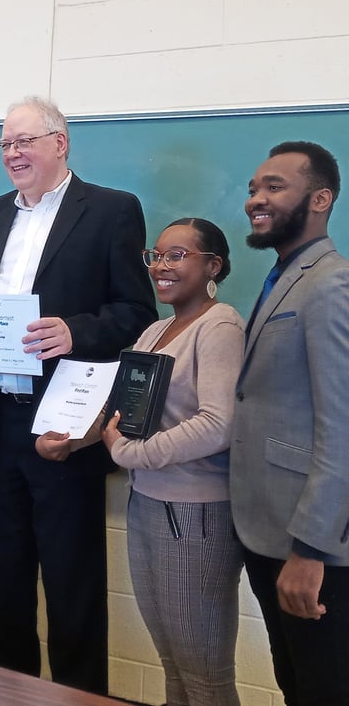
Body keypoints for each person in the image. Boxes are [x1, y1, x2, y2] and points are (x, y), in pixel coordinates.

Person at [0, 96, 156, 693]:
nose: (12, 154)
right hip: (1, 421)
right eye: (5, 144)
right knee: (2, 584)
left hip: (65, 422)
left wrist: (74, 332)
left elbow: (137, 312)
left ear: (60, 143)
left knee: (72, 585)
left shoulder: (112, 210)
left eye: (25, 141)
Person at [40, 218, 244, 705]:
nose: (162, 267)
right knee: (173, 665)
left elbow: (219, 424)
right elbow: (121, 411)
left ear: (213, 265)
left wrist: (129, 453)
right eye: (156, 256)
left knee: (204, 673)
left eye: (178, 255)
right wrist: (72, 441)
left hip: (196, 515)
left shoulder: (221, 326)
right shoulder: (155, 329)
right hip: (149, 503)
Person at [230, 141, 349, 706]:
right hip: (268, 528)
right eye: (254, 187)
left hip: (311, 547)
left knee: (324, 688)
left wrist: (311, 550)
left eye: (274, 186)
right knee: (295, 683)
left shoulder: (331, 285)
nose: (257, 198)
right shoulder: (284, 276)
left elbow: (343, 427)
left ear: (320, 199)